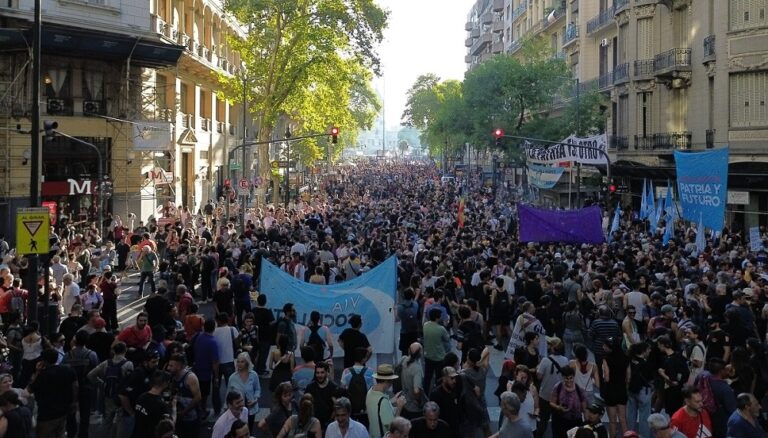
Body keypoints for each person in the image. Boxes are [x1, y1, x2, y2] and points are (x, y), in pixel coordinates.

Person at [27, 348, 78, 438]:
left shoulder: (43, 375)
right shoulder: (68, 370)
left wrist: (38, 371)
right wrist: (73, 402)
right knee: (60, 433)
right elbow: (75, 386)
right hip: (63, 411)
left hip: (46, 414)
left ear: (44, 361)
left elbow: (30, 389)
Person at [87, 341, 134, 436]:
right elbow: (130, 381)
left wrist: (101, 383)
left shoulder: (106, 363)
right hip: (121, 397)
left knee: (106, 420)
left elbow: (90, 375)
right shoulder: (128, 364)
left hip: (107, 396)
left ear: (114, 351)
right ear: (125, 350)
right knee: (120, 422)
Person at [64, 329, 99, 438]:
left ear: (75, 340)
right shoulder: (91, 354)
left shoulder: (67, 355)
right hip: (86, 386)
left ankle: (71, 432)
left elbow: (63, 370)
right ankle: (83, 434)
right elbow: (96, 370)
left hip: (70, 387)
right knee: (85, 413)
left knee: (71, 412)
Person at [166, 353, 203, 438]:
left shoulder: (190, 378)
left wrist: (184, 412)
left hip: (191, 418)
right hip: (179, 417)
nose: (168, 368)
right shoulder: (173, 376)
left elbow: (198, 397)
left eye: (171, 366)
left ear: (179, 366)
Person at [367, 364, 406, 438]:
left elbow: (377, 406)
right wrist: (399, 407)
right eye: (391, 380)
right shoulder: (383, 401)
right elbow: (393, 428)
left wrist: (392, 400)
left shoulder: (370, 392)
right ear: (387, 381)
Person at [600, 336, 629, 438]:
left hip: (611, 390)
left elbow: (606, 377)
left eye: (605, 345)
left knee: (612, 421)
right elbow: (628, 377)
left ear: (610, 348)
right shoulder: (625, 358)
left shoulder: (606, 359)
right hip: (621, 390)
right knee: (623, 419)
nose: (603, 347)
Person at [133, 370, 175, 438]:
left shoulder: (141, 397)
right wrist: (174, 407)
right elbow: (170, 425)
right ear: (165, 384)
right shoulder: (161, 405)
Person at [192, 318, 220, 416]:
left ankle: (199, 410)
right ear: (214, 328)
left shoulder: (199, 336)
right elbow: (215, 362)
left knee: (196, 391)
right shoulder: (213, 342)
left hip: (196, 369)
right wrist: (216, 376)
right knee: (204, 394)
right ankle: (202, 412)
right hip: (205, 373)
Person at [226, 352, 261, 431]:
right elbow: (228, 395)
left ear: (247, 362)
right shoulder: (232, 377)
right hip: (237, 410)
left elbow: (257, 389)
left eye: (242, 362)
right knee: (238, 430)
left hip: (251, 409)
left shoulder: (254, 375)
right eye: (238, 361)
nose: (239, 364)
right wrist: (228, 410)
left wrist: (255, 400)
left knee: (249, 429)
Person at [549, 366, 586, 438]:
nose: (569, 380)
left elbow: (584, 406)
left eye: (571, 378)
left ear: (573, 377)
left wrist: (586, 422)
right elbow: (551, 402)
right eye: (566, 378)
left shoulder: (579, 389)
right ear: (563, 377)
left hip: (576, 421)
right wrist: (558, 407)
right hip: (561, 421)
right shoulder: (558, 387)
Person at [422, 307, 451, 392]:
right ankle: (438, 392)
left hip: (428, 355)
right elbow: (447, 339)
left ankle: (425, 392)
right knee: (439, 377)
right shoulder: (441, 329)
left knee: (427, 376)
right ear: (437, 317)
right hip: (439, 357)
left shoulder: (425, 325)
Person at [306, 361, 338, 431]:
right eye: (317, 373)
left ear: (326, 372)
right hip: (313, 424)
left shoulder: (333, 387)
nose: (319, 375)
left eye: (322, 372)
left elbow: (337, 407)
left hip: (329, 424)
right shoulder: (310, 387)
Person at [399, 342, 425, 419]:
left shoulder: (404, 359)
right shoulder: (417, 369)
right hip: (413, 406)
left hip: (404, 400)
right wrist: (419, 401)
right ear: (420, 353)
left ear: (408, 351)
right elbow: (416, 390)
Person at [252, 293, 274, 375]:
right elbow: (272, 322)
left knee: (255, 352)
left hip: (255, 334)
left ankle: (255, 367)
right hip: (265, 335)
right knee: (264, 353)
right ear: (265, 302)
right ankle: (261, 368)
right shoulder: (267, 311)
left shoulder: (253, 310)